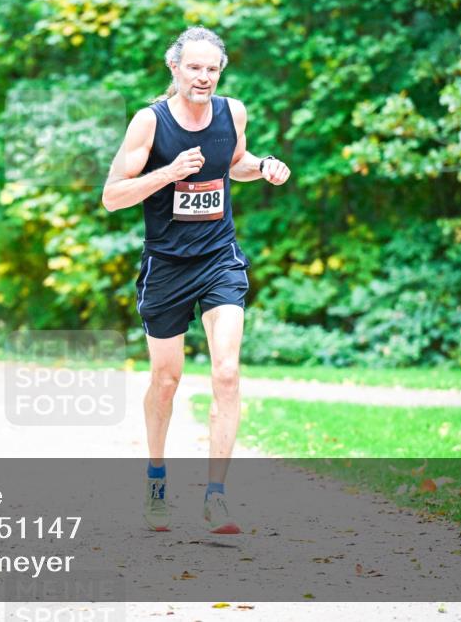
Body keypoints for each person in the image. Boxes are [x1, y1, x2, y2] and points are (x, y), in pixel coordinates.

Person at [101, 26, 291, 537]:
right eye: (194, 68)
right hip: (166, 265)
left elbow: (235, 164)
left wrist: (263, 167)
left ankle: (216, 496)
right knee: (166, 380)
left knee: (227, 372)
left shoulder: (233, 113)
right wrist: (169, 173)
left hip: (218, 257)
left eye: (212, 69)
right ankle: (156, 480)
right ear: (175, 68)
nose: (203, 77)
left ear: (220, 71)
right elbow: (113, 196)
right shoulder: (150, 122)